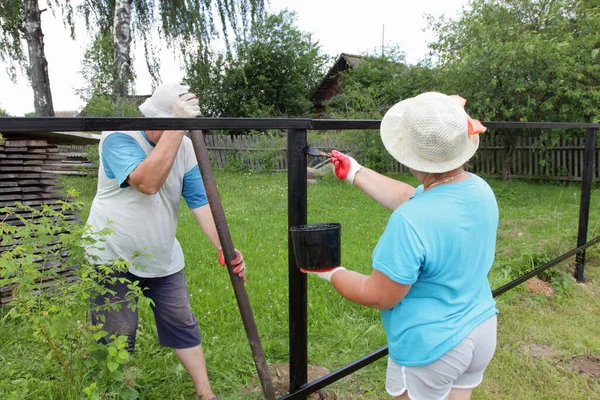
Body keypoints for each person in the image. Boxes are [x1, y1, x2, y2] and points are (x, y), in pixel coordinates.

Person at [304, 92, 499, 400]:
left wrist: (331, 271)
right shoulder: (479, 189)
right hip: (480, 328)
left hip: (432, 346)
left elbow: (379, 295)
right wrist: (356, 172)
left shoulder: (411, 222)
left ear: (407, 151)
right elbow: (415, 197)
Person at [85, 82, 246, 400]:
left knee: (181, 322)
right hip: (111, 254)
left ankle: (206, 394)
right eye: (178, 125)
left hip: (161, 255)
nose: (184, 134)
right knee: (117, 334)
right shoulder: (119, 138)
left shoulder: (184, 147)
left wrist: (224, 246)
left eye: (186, 128)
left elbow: (200, 201)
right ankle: (116, 392)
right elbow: (147, 182)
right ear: (157, 117)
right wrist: (176, 127)